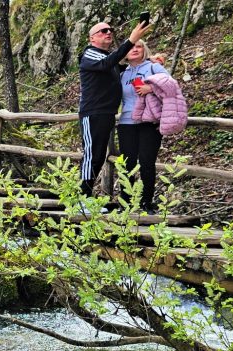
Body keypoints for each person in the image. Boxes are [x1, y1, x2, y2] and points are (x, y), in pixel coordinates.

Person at [78, 20, 150, 197]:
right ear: (92, 38)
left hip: (107, 113)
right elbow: (107, 63)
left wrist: (148, 61)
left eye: (110, 30)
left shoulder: (107, 58)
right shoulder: (90, 54)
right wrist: (131, 40)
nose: (108, 32)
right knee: (92, 155)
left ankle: (87, 198)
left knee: (100, 156)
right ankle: (82, 198)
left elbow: (124, 67)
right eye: (103, 31)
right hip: (92, 113)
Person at [118, 40, 169, 212]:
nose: (134, 50)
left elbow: (171, 86)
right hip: (126, 122)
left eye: (138, 47)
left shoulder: (153, 67)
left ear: (144, 50)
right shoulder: (122, 74)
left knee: (147, 163)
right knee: (127, 164)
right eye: (131, 47)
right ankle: (126, 204)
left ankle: (147, 203)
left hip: (149, 122)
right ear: (124, 53)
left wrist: (151, 88)